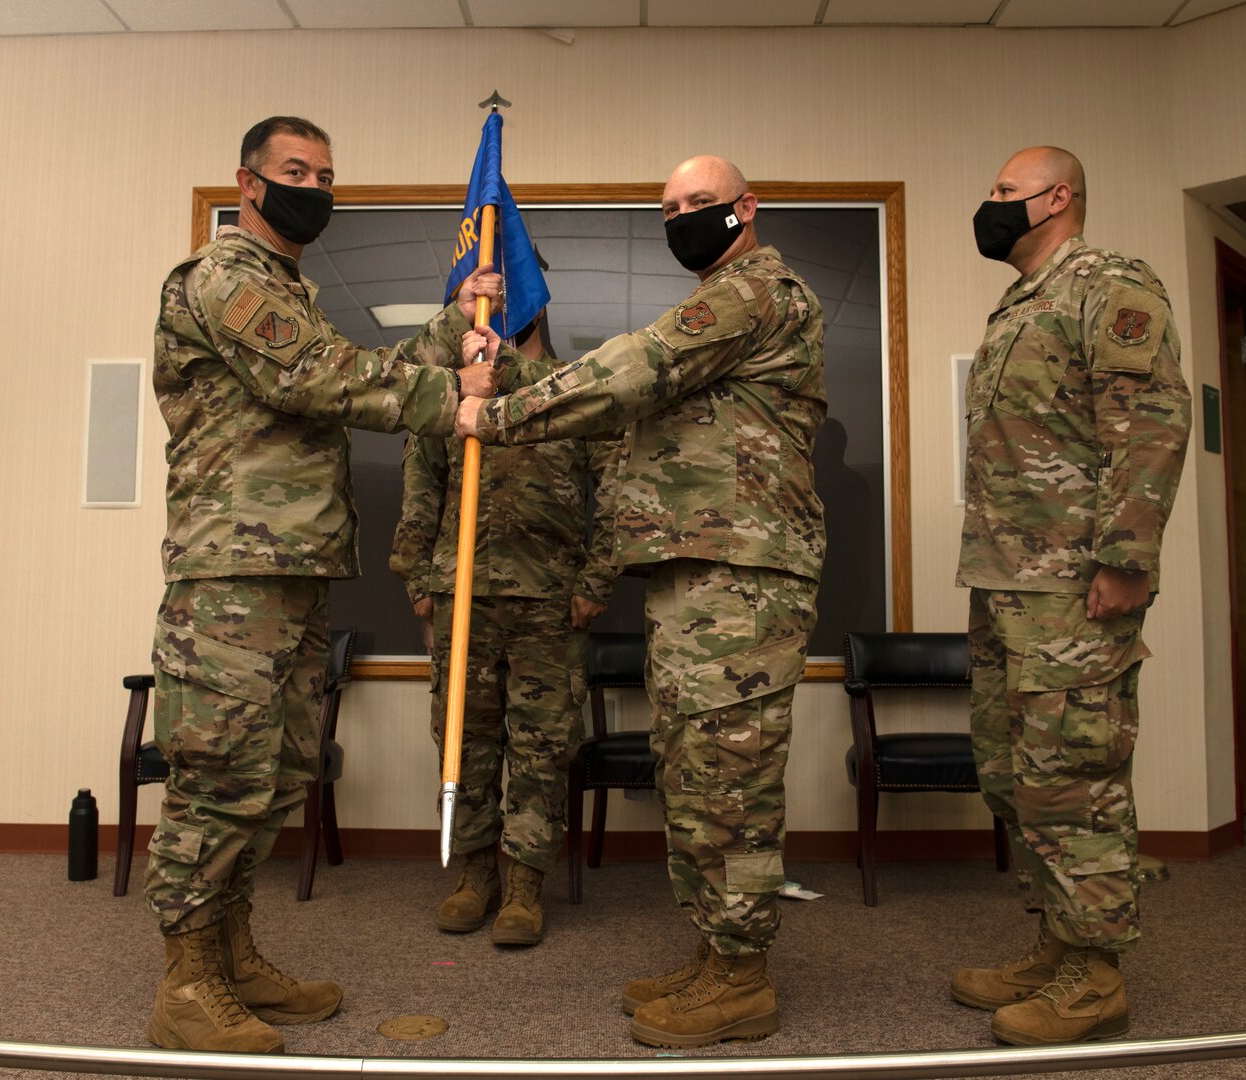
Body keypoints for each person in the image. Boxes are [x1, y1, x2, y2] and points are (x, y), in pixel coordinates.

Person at [143, 115, 503, 1055]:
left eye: (327, 173)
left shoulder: (284, 289)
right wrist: (450, 398)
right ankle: (186, 984)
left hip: (294, 569)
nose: (315, 186)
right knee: (218, 780)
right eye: (295, 170)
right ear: (249, 184)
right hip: (233, 573)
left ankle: (231, 954)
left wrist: (451, 318)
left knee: (274, 776)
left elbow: (341, 367)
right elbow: (316, 378)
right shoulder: (220, 277)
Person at [456, 155, 825, 1048]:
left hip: (740, 576)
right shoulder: (730, 295)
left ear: (747, 208)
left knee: (728, 781)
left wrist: (496, 412)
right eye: (669, 207)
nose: (682, 217)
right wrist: (504, 375)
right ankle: (715, 954)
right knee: (696, 774)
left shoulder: (755, 292)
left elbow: (637, 368)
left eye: (700, 203)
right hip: (698, 572)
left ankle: (741, 978)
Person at [953, 146, 1191, 1046]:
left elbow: (1153, 414)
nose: (991, 205)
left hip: (1074, 586)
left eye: (1004, 192)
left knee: (1076, 780)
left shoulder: (1108, 281)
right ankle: (1057, 944)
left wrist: (1126, 556)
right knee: (1015, 776)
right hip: (1008, 580)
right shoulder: (1022, 301)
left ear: (1058, 198)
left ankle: (1095, 977)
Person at [391, 307, 624, 947]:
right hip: (462, 594)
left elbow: (612, 492)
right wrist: (418, 579)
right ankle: (473, 877)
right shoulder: (454, 393)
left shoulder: (571, 391)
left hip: (549, 598)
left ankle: (524, 886)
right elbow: (421, 488)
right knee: (463, 739)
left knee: (540, 747)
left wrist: (595, 581)